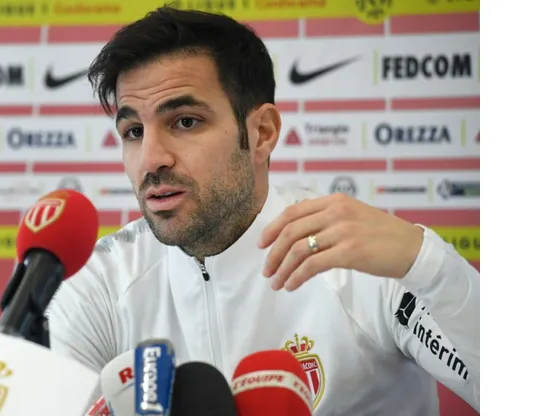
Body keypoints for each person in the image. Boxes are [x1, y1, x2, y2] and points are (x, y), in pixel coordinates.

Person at [47, 6, 479, 414]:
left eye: (185, 121)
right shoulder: (100, 282)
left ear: (262, 132)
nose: (151, 159)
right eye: (133, 131)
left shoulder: (359, 261)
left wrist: (428, 265)